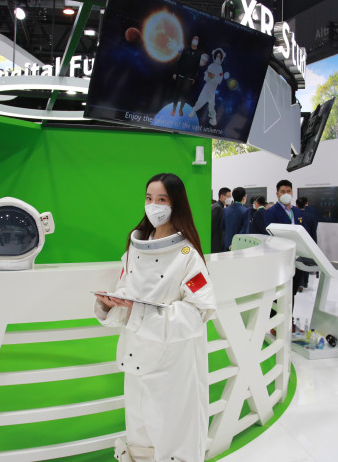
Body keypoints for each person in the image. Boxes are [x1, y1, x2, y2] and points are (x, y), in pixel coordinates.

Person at [93, 173, 216, 462]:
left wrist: (139, 313)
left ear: (176, 204)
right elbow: (126, 291)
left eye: (162, 199)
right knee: (139, 432)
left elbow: (197, 312)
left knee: (173, 435)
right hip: (135, 355)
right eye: (149, 198)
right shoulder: (134, 249)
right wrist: (112, 305)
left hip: (173, 362)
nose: (153, 206)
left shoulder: (187, 255)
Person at [265, 180, 305, 297]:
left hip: (297, 256)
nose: (286, 194)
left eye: (288, 191)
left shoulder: (297, 211)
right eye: (282, 191)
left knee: (292, 293)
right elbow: (269, 235)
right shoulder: (271, 212)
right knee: (280, 294)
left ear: (292, 193)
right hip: (280, 258)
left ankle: (291, 310)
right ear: (277, 194)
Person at [188, 48, 226, 126]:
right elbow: (205, 77)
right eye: (217, 56)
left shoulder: (220, 68)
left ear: (221, 58)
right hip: (206, 87)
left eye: (219, 56)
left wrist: (213, 77)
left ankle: (213, 118)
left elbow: (219, 80)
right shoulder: (211, 66)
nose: (218, 57)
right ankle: (193, 111)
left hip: (212, 89)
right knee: (200, 100)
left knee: (211, 104)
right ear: (215, 56)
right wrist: (209, 76)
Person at [171, 35, 202, 117]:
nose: (195, 40)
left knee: (184, 95)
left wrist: (194, 78)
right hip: (181, 75)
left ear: (198, 42)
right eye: (194, 38)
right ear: (192, 40)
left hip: (189, 78)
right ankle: (174, 109)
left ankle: (181, 109)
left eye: (197, 39)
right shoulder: (186, 49)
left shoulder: (199, 54)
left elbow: (197, 67)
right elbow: (179, 61)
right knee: (177, 93)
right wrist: (175, 73)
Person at [296, 197, 318, 288]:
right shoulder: (311, 215)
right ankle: (305, 282)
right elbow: (314, 230)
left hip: (297, 242)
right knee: (306, 261)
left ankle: (300, 283)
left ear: (296, 205)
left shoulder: (295, 215)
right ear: (306, 203)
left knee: (298, 262)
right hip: (308, 241)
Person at [221, 186, 249, 250]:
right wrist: (234, 243)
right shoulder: (245, 211)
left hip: (226, 244)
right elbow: (244, 230)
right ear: (244, 197)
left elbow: (222, 227)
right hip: (238, 245)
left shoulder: (225, 210)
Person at [211, 187, 231, 253]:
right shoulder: (218, 208)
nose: (230, 199)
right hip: (215, 244)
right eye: (228, 197)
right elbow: (212, 227)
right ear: (222, 196)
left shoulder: (219, 207)